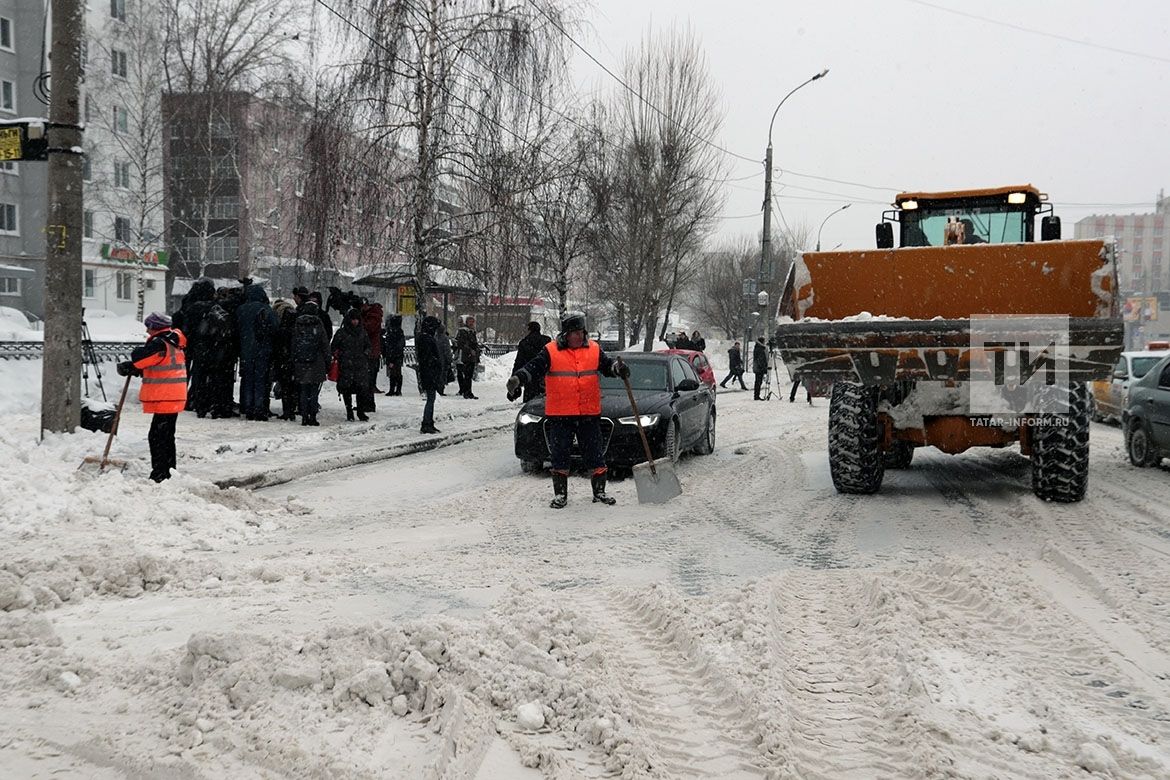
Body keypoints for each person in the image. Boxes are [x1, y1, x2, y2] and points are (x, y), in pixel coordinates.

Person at [506, 311, 628, 509]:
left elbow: (607, 366)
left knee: (595, 453)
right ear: (565, 335)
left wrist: (618, 369)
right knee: (560, 455)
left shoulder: (594, 349)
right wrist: (518, 379)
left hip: (588, 412)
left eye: (581, 332)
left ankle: (600, 492)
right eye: (575, 333)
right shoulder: (551, 351)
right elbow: (534, 367)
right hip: (560, 414)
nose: (579, 336)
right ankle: (560, 495)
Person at [118, 312, 187, 482]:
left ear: (154, 327)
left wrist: (132, 365)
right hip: (173, 395)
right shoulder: (173, 341)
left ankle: (161, 474)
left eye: (148, 327)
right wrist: (137, 369)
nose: (147, 331)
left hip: (166, 395)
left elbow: (141, 358)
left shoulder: (160, 343)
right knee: (165, 436)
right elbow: (155, 363)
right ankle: (168, 471)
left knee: (158, 437)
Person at [235, 283, 278, 421]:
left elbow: (236, 330)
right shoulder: (266, 309)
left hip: (245, 351)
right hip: (263, 349)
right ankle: (259, 408)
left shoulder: (241, 310)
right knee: (260, 380)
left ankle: (247, 407)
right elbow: (275, 329)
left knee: (247, 379)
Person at [291, 298, 330, 426]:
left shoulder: (298, 323)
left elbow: (294, 344)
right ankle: (312, 416)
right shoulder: (318, 324)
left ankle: (304, 416)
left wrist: (294, 359)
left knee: (303, 390)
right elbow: (324, 344)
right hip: (316, 362)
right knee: (313, 391)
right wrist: (327, 362)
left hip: (301, 362)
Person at [331, 308, 373, 421]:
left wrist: (365, 353)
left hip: (359, 365)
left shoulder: (362, 332)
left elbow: (368, 346)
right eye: (353, 319)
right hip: (347, 365)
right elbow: (333, 347)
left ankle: (360, 411)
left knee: (361, 390)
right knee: (347, 389)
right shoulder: (342, 333)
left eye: (357, 319)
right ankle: (349, 412)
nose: (355, 322)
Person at [416, 315, 445, 434]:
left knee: (431, 398)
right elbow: (429, 359)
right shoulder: (427, 339)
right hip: (429, 373)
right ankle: (427, 423)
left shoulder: (424, 338)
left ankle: (428, 422)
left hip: (428, 373)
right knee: (430, 399)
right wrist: (435, 367)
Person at [512, 321, 551, 403]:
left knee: (530, 405)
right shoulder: (547, 341)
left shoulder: (525, 343)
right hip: (544, 378)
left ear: (529, 330)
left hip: (530, 377)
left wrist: (515, 381)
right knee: (544, 404)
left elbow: (519, 362)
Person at [360, 301, 385, 402]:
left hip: (370, 352)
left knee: (368, 379)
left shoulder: (373, 316)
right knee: (368, 378)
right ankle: (367, 402)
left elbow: (368, 328)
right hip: (371, 351)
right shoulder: (372, 315)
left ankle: (368, 403)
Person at [454, 314, 482, 399]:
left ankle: (468, 391)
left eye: (473, 322)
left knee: (468, 375)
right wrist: (470, 350)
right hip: (467, 356)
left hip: (470, 356)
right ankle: (466, 392)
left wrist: (476, 349)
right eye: (470, 321)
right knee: (467, 375)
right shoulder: (464, 331)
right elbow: (462, 344)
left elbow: (474, 343)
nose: (472, 323)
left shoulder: (471, 331)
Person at [382, 314, 407, 396]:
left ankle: (393, 389)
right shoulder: (399, 332)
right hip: (397, 355)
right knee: (397, 373)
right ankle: (397, 390)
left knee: (393, 373)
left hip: (393, 355)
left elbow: (391, 346)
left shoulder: (392, 333)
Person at [436, 323, 455, 396]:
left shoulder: (435, 337)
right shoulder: (445, 338)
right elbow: (447, 350)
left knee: (437, 374)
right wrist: (449, 359)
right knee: (442, 374)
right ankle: (441, 389)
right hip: (443, 360)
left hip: (436, 359)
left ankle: (437, 388)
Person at [752, 336, 769, 400]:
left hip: (758, 367)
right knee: (758, 382)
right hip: (759, 368)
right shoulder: (760, 349)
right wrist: (764, 368)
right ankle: (756, 396)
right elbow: (761, 360)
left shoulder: (758, 347)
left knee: (758, 382)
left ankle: (756, 395)